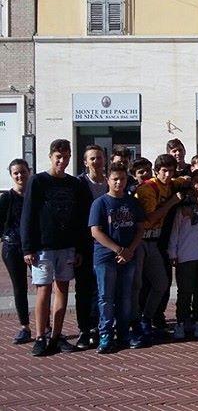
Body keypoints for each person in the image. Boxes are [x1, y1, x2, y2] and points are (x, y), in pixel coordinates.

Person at [20, 139, 90, 356]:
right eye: (58, 156)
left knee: (62, 289)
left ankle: (57, 335)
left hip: (67, 246)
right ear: (51, 156)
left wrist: (79, 248)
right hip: (43, 247)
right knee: (43, 289)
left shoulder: (74, 184)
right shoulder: (38, 181)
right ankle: (41, 336)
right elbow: (28, 215)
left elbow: (80, 218)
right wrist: (27, 248)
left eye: (66, 156)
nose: (62, 160)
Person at [89, 162, 145, 353]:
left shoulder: (131, 202)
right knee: (105, 297)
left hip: (129, 256)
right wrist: (118, 250)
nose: (119, 183)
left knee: (125, 297)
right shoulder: (100, 203)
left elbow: (140, 229)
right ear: (108, 180)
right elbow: (96, 231)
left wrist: (129, 251)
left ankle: (123, 333)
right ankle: (105, 334)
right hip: (105, 257)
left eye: (122, 179)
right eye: (115, 179)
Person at [134, 154, 190, 345]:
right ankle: (135, 322)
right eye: (164, 171)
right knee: (137, 286)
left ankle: (146, 318)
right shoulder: (148, 189)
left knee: (161, 284)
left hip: (155, 242)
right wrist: (172, 202)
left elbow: (184, 179)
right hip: (141, 241)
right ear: (156, 172)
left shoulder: (170, 183)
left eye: (171, 171)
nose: (167, 174)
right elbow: (149, 220)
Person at [167, 168, 198, 340]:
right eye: (196, 181)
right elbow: (175, 229)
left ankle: (197, 321)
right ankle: (181, 322)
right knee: (185, 292)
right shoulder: (184, 204)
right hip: (186, 254)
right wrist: (173, 251)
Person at [75, 144, 108, 350]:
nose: (96, 162)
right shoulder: (78, 184)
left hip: (107, 244)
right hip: (85, 245)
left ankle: (99, 327)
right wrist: (77, 247)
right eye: (92, 158)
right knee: (84, 288)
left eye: (99, 158)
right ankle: (84, 329)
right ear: (85, 162)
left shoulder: (111, 182)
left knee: (102, 289)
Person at [1, 159, 32, 344]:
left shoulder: (34, 195)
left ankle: (45, 326)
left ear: (29, 172)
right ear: (12, 176)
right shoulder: (7, 198)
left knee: (42, 286)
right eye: (16, 173)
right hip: (13, 248)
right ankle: (25, 327)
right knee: (19, 287)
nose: (20, 176)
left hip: (34, 248)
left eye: (23, 172)